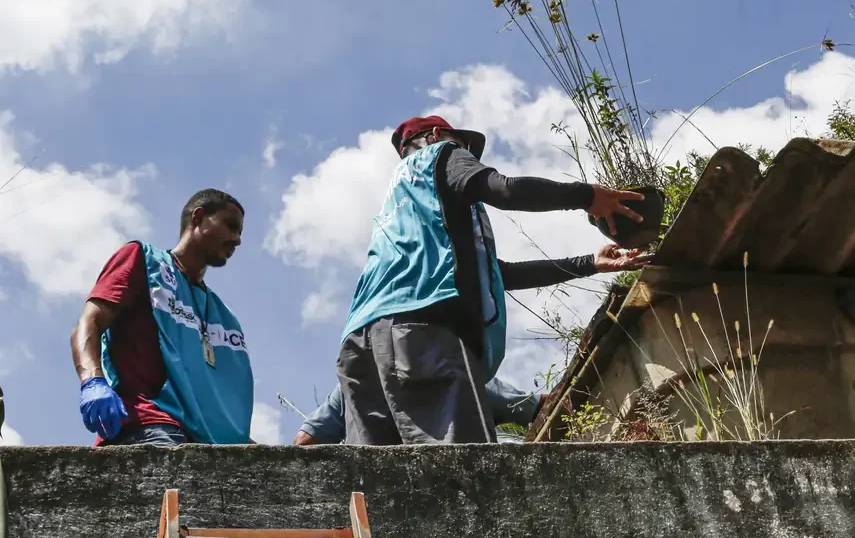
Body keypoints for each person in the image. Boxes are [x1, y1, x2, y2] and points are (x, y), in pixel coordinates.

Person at [337, 114, 649, 445]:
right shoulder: (440, 154)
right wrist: (587, 197)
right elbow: (506, 190)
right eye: (461, 144)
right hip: (420, 334)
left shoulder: (401, 206)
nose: (466, 154)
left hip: (359, 348)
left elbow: (497, 274)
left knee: (378, 484)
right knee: (463, 471)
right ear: (435, 136)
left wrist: (589, 263)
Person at [70, 189, 254, 446]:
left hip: (205, 441)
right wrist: (93, 381)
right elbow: (89, 322)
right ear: (198, 217)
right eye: (230, 226)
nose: (237, 239)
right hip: (149, 424)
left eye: (240, 232)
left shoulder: (224, 315)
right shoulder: (143, 260)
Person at [293, 377, 546, 445]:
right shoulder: (455, 366)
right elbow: (533, 407)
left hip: (370, 503)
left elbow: (305, 440)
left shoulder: (353, 384)